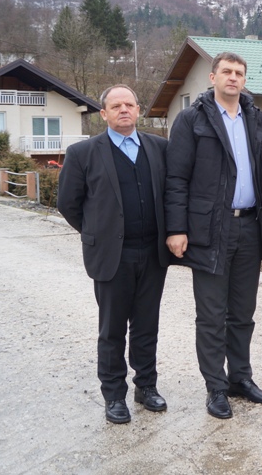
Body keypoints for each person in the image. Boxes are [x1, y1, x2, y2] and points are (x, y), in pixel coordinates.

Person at [165, 51, 262, 419]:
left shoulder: (258, 119)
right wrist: (176, 228)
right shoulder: (191, 119)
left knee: (243, 312)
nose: (233, 77)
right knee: (212, 315)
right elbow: (176, 178)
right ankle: (216, 387)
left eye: (239, 73)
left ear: (244, 80)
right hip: (210, 228)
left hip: (250, 226)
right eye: (226, 71)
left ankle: (240, 378)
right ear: (212, 77)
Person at [57, 84, 169, 424]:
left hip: (152, 254)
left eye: (129, 105)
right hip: (112, 256)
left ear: (138, 110)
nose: (124, 110)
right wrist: (98, 233)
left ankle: (146, 386)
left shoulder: (159, 148)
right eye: (116, 105)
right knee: (112, 329)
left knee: (147, 326)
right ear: (104, 113)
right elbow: (68, 204)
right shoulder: (83, 153)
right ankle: (114, 396)